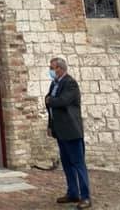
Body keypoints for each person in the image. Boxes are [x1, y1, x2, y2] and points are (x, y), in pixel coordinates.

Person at [45, 56, 91, 209]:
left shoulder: (70, 83)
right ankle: (73, 192)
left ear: (60, 68)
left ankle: (85, 197)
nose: (51, 71)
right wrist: (50, 125)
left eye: (52, 68)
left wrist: (50, 100)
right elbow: (50, 105)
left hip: (71, 130)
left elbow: (62, 101)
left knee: (78, 163)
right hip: (60, 131)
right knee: (66, 163)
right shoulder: (54, 84)